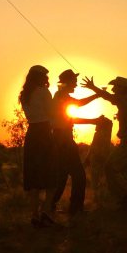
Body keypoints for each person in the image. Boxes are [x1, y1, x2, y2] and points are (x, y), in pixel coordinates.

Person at [82, 75, 127, 208]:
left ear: (122, 88)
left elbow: (108, 97)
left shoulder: (125, 101)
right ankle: (125, 199)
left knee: (111, 168)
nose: (113, 89)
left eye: (116, 86)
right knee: (113, 169)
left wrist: (93, 88)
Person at [50, 69, 101, 216]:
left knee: (62, 176)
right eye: (74, 80)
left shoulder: (60, 96)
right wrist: (97, 96)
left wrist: (96, 95)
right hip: (64, 139)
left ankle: (50, 207)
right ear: (68, 82)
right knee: (79, 176)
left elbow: (74, 110)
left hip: (60, 139)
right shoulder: (61, 97)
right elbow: (78, 105)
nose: (76, 83)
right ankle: (75, 209)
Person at [19, 65, 58, 227]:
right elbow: (52, 113)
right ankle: (46, 212)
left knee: (34, 176)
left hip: (32, 133)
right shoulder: (43, 92)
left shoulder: (24, 95)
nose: (46, 79)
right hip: (43, 133)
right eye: (44, 76)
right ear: (40, 77)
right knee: (51, 175)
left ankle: (34, 215)